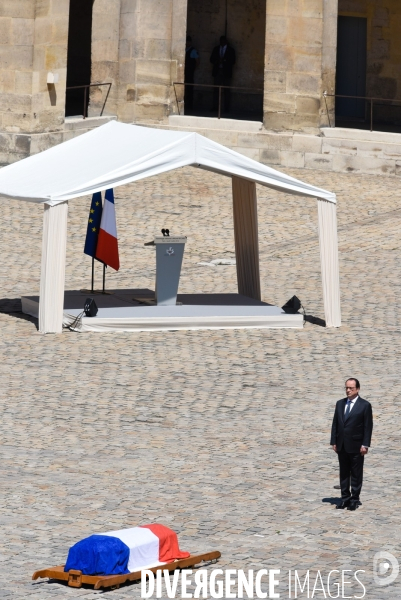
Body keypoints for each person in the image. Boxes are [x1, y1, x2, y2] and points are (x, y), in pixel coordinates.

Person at [330, 378, 373, 510]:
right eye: (346, 388)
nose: (348, 390)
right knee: (343, 473)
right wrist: (334, 441)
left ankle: (354, 499)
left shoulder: (364, 405)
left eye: (351, 388)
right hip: (342, 444)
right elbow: (335, 423)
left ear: (358, 389)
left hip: (356, 445)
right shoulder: (340, 403)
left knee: (356, 473)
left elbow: (368, 427)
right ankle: (345, 498)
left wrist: (365, 444)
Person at [210, 35, 236, 113]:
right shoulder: (216, 49)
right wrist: (218, 61)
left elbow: (233, 61)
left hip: (226, 72)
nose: (222, 43)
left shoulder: (231, 50)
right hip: (218, 71)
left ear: (226, 42)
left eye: (224, 41)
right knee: (216, 90)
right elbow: (211, 59)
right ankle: (215, 107)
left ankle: (226, 108)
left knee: (227, 90)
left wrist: (224, 61)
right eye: (221, 41)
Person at [184, 36, 199, 112]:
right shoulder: (183, 49)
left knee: (189, 88)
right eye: (186, 42)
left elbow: (197, 61)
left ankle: (189, 105)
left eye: (188, 42)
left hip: (189, 72)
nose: (187, 43)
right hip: (184, 71)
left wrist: (193, 69)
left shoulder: (193, 50)